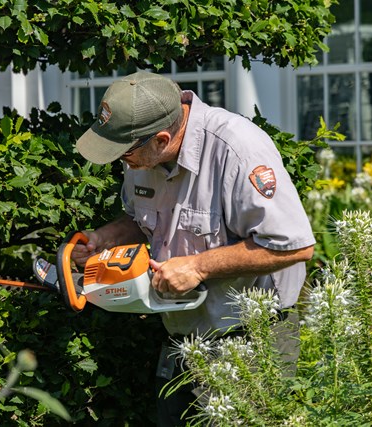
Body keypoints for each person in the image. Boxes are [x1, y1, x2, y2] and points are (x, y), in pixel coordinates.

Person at [71, 70, 315, 426]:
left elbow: (293, 246)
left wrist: (199, 266)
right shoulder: (142, 153)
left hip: (252, 340)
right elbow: (141, 222)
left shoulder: (238, 149)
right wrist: (106, 237)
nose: (121, 161)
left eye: (125, 154)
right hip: (182, 339)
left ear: (161, 139)